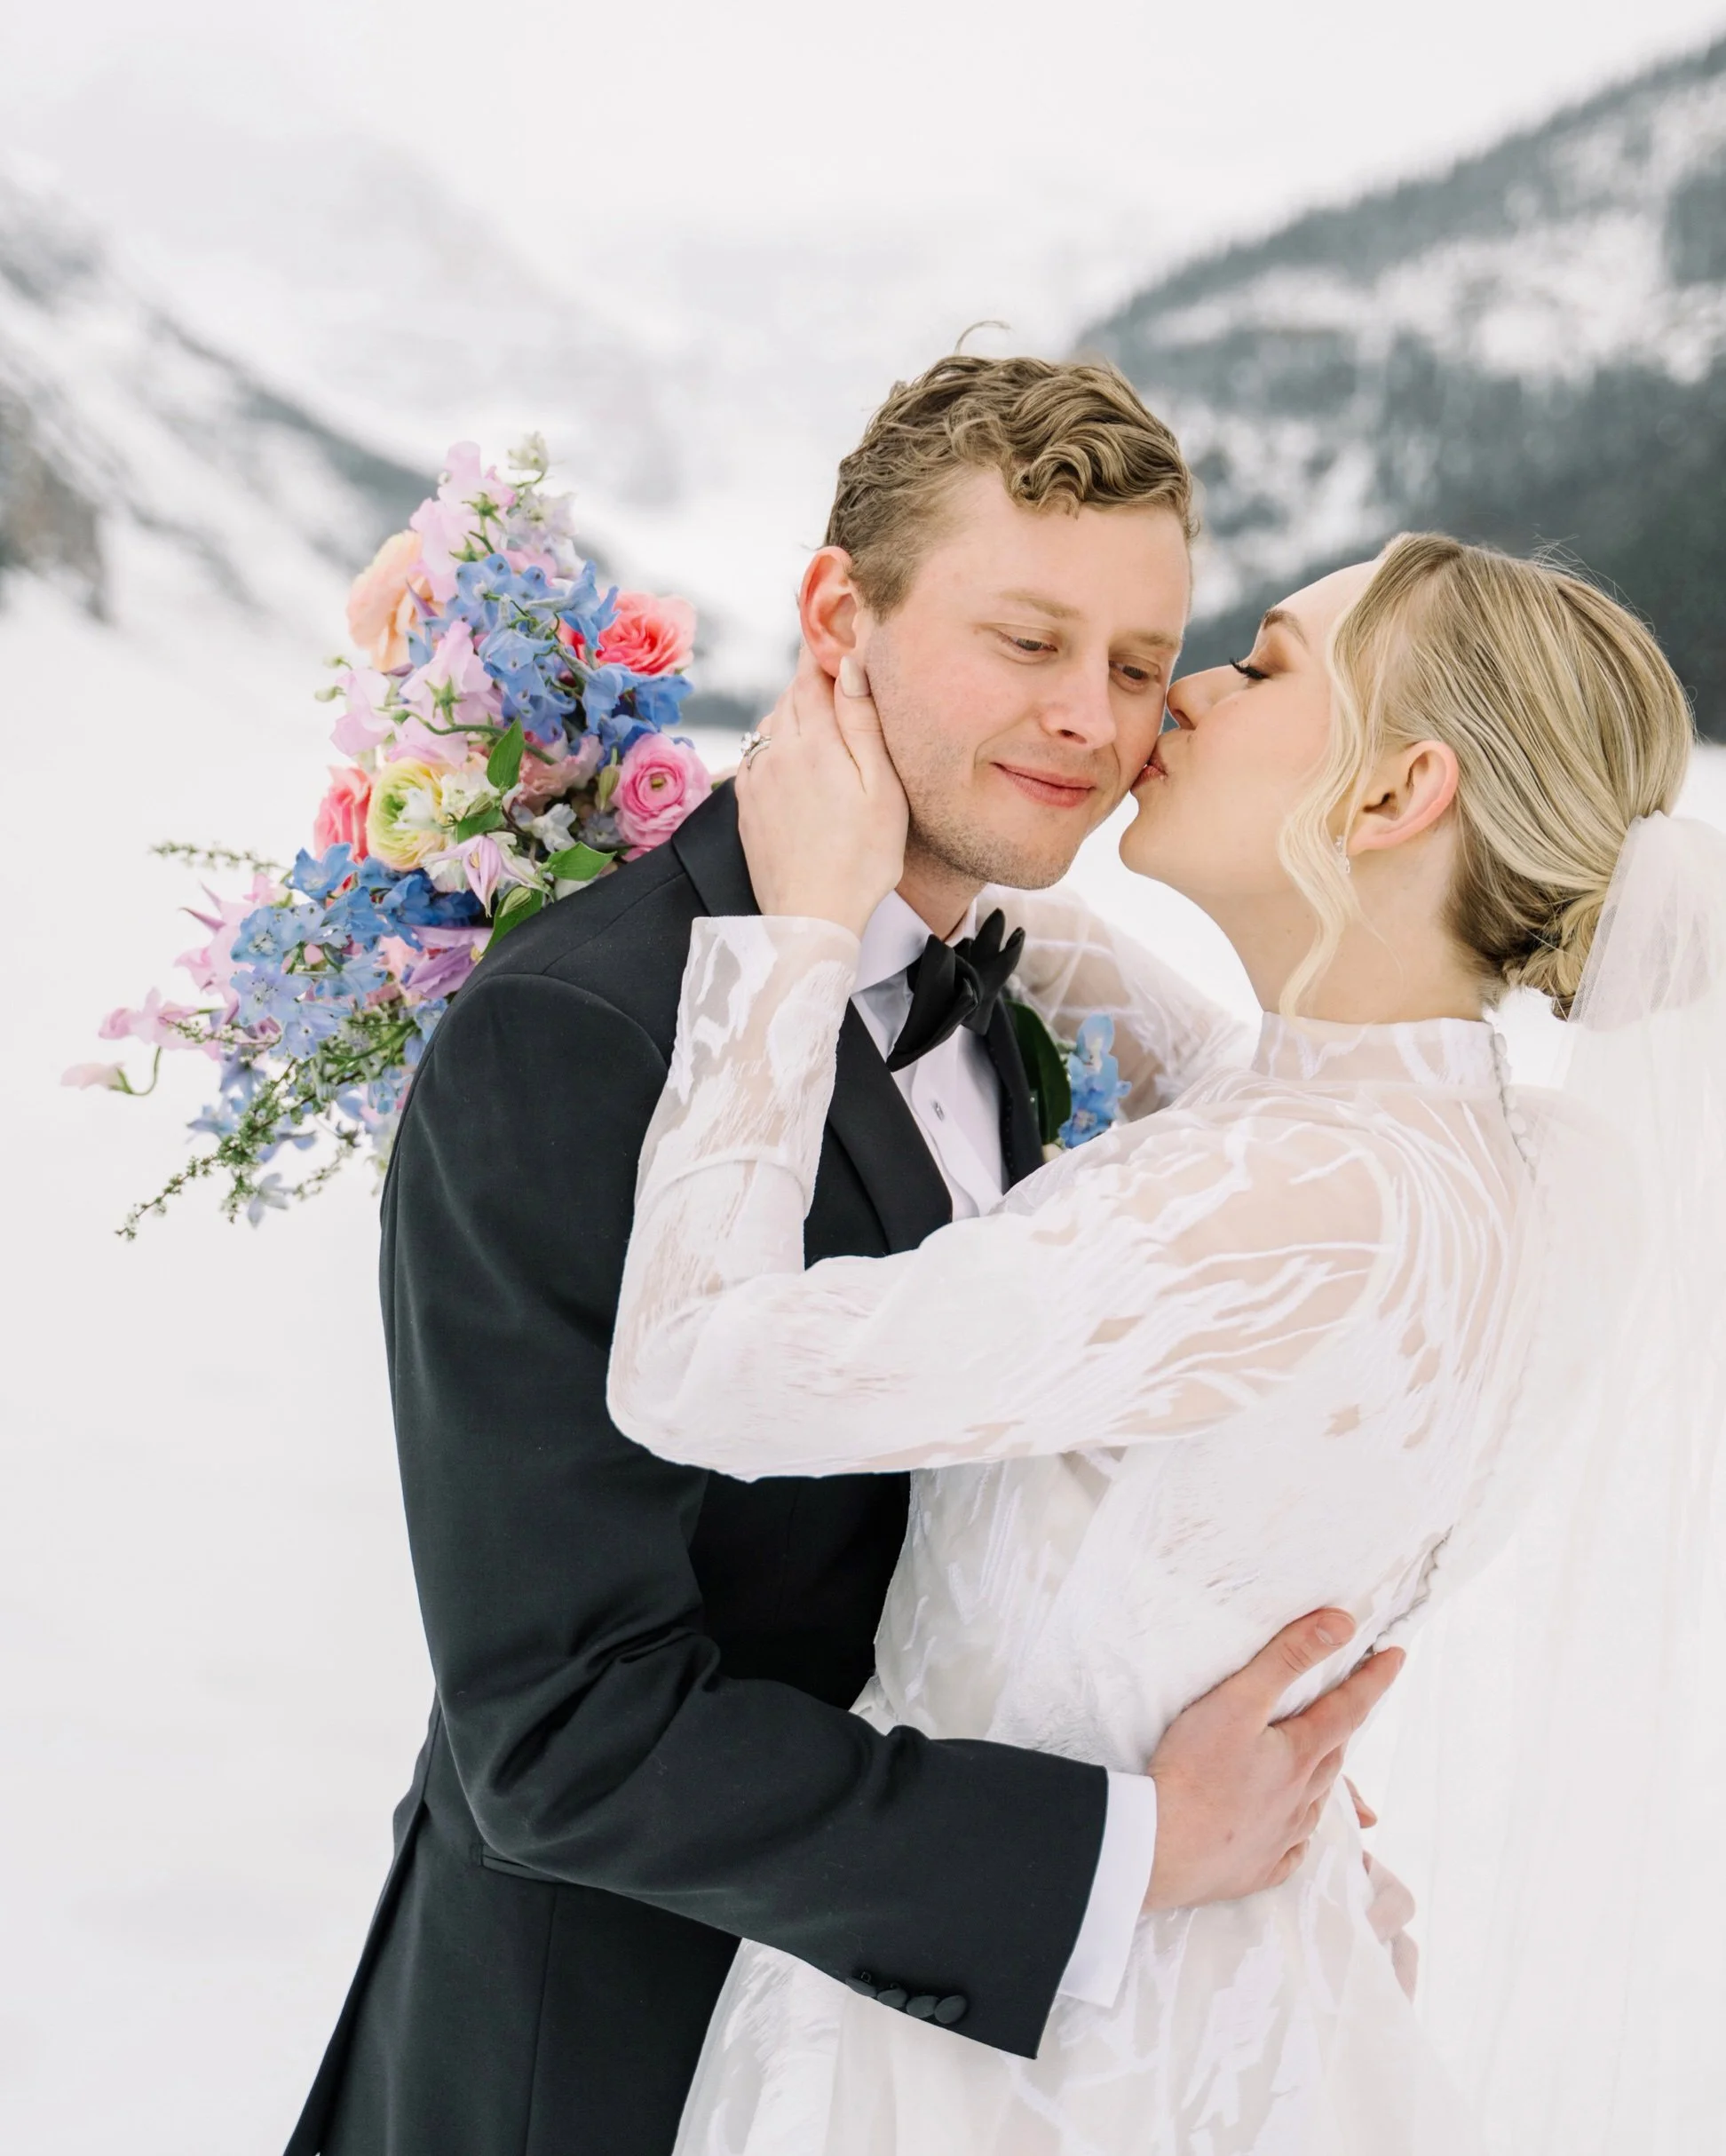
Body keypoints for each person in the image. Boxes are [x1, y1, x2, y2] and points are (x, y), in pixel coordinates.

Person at [284, 357, 1405, 2156]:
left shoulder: (1049, 989)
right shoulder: (577, 1035)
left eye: (1134, 663)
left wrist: (1264, 1871)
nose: (1088, 719)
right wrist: (1132, 1847)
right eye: (1024, 639)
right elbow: (565, 1729)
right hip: (610, 2060)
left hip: (947, 2066)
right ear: (837, 614)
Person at [606, 530, 1698, 2152]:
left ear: (1397, 796)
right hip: (1234, 2000)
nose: (1179, 695)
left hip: (1004, 2049)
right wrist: (938, 837)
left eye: (1259, 667)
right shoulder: (1532, 1172)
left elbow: (696, 1368)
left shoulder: (1293, 1196)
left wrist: (793, 938)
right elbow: (1191, 1071)